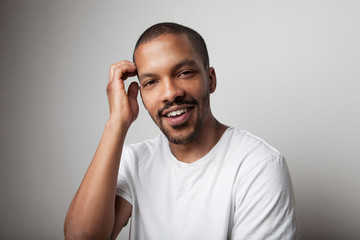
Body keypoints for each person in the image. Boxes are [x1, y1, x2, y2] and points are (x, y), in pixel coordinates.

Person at [64, 22, 301, 240]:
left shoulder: (258, 165)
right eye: (151, 82)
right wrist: (117, 122)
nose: (170, 93)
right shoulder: (133, 161)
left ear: (211, 80)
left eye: (184, 73)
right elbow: (81, 237)